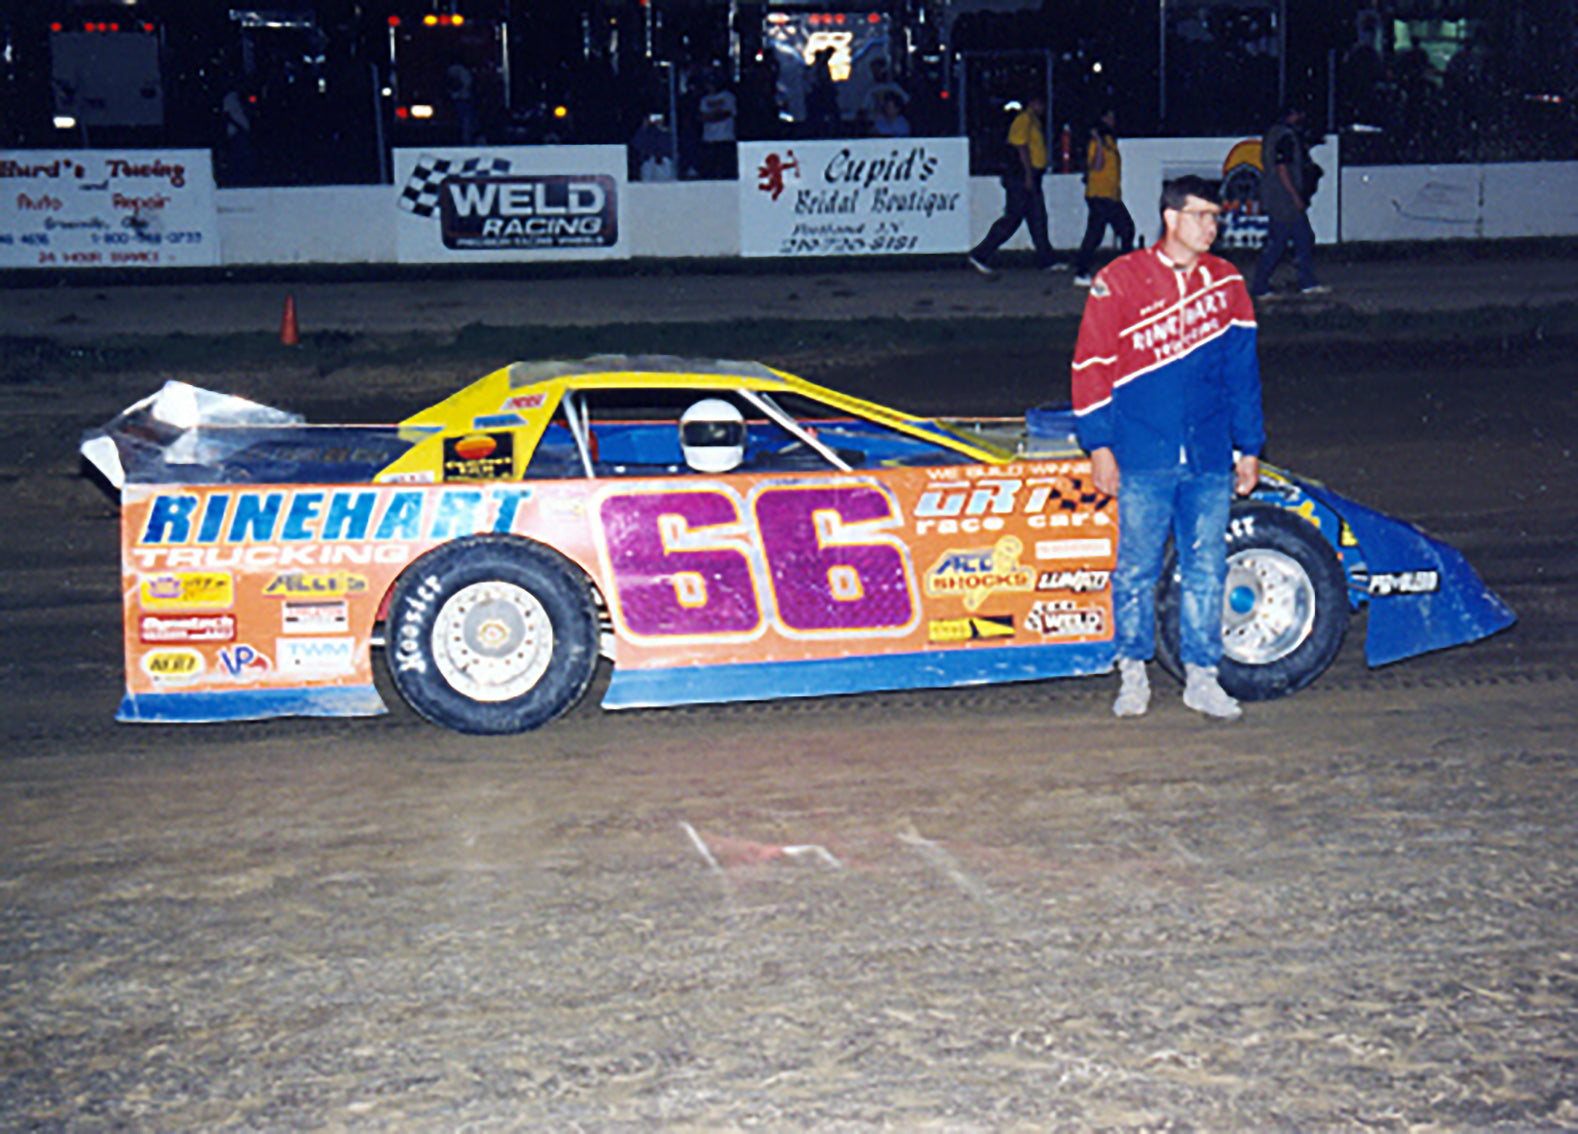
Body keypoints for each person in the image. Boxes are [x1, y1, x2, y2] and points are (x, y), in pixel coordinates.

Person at [1070, 175, 1265, 720]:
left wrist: (1248, 445)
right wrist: (1099, 445)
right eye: (1203, 215)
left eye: (1215, 217)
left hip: (1207, 456)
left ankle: (1202, 676)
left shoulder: (1228, 285)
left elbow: (1242, 376)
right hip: (1142, 455)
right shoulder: (1120, 279)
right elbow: (1089, 367)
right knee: (1135, 568)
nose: (1213, 227)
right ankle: (1132, 673)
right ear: (1171, 218)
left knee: (1207, 569)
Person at [968, 95, 1060, 274]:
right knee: (1013, 218)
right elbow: (1020, 147)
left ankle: (1046, 259)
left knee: (1037, 219)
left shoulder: (1031, 120)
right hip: (1020, 176)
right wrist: (1028, 174)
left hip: (1028, 175)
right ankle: (981, 253)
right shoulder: (1024, 120)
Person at [1251, 106, 1328, 297]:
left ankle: (1306, 282)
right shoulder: (1286, 137)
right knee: (1281, 241)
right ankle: (1261, 286)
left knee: (1300, 238)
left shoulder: (1274, 134)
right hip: (1284, 198)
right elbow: (1282, 168)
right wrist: (1295, 196)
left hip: (1278, 196)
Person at [1072, 108, 1136, 287]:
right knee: (1097, 234)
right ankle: (1081, 271)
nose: (1112, 120)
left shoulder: (1110, 142)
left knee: (1125, 229)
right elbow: (1097, 166)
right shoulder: (1097, 143)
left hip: (1111, 195)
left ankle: (1125, 270)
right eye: (1108, 117)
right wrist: (1098, 142)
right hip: (1100, 195)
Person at [697, 72, 738, 180]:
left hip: (725, 138)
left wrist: (711, 117)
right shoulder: (704, 100)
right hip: (709, 139)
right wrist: (714, 116)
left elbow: (727, 113)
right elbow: (702, 117)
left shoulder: (728, 97)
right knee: (710, 170)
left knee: (726, 170)